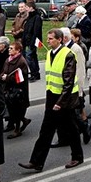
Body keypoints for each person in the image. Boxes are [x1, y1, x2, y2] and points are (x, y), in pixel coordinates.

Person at [19, 29, 83, 172]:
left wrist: (60, 103)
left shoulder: (68, 55)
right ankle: (36, 162)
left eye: (51, 38)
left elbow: (69, 82)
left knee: (71, 128)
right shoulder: (49, 53)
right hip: (52, 95)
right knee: (46, 130)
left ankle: (77, 157)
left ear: (60, 40)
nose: (48, 41)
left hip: (65, 98)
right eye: (48, 38)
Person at [0, 42, 31, 139]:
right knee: (11, 109)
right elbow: (4, 71)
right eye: (9, 48)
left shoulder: (21, 62)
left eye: (12, 49)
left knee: (17, 109)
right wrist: (1, 76)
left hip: (18, 91)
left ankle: (17, 129)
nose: (9, 50)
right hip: (9, 89)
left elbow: (20, 78)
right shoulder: (8, 60)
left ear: (18, 50)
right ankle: (24, 121)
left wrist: (7, 78)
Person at [22, 2, 42, 81]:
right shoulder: (29, 17)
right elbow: (26, 30)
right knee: (32, 56)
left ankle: (35, 73)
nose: (25, 9)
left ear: (31, 8)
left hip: (32, 41)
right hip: (27, 40)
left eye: (27, 7)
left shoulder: (37, 17)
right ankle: (35, 72)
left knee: (29, 57)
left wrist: (32, 42)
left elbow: (36, 31)